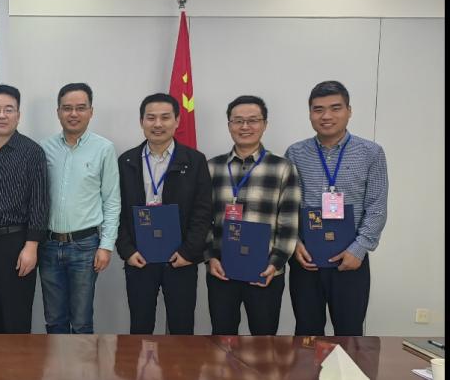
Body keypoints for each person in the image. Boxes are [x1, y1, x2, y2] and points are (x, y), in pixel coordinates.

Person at [285, 81, 388, 336]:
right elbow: (287, 205)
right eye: (318, 109)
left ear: (349, 111)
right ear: (310, 113)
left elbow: (376, 206)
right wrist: (294, 243)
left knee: (350, 334)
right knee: (306, 334)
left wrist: (359, 249)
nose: (326, 116)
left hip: (351, 261)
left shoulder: (371, 153)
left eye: (335, 108)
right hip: (306, 260)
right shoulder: (296, 153)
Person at [115, 93, 212, 335]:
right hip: (140, 258)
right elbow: (117, 210)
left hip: (180, 259)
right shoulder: (126, 161)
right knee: (140, 327)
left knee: (181, 329)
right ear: (141, 121)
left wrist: (189, 252)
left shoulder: (195, 161)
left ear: (177, 121)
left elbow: (202, 211)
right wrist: (127, 251)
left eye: (165, 117)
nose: (158, 124)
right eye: (151, 118)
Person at [205, 95, 301, 335]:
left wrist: (275, 263)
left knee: (264, 341)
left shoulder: (283, 167)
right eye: (238, 121)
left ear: (265, 124)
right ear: (229, 125)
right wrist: (210, 257)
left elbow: (289, 222)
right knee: (222, 339)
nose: (245, 127)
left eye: (253, 120)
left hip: (265, 271)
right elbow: (203, 218)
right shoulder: (212, 167)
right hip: (222, 269)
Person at [38, 83, 120, 334]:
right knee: (54, 319)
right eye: (67, 108)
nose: (73, 114)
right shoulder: (44, 148)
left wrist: (106, 246)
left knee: (82, 321)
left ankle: (80, 362)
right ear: (58, 112)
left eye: (80, 108)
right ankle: (57, 361)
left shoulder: (104, 149)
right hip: (49, 245)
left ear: (91, 112)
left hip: (85, 246)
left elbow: (112, 200)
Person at [0, 84, 49, 333]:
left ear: (18, 115)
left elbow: (40, 202)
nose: (1, 115)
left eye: (8, 109)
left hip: (17, 244)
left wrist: (31, 246)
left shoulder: (32, 152)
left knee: (16, 318)